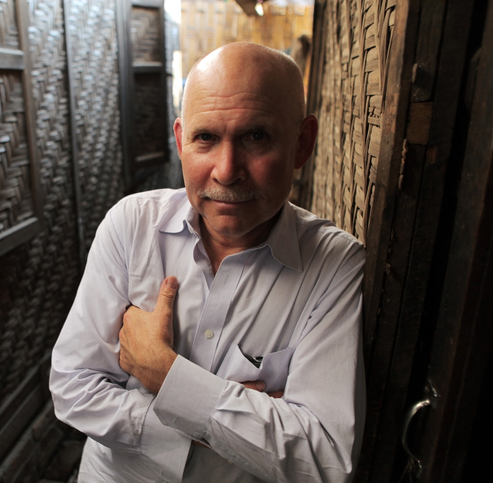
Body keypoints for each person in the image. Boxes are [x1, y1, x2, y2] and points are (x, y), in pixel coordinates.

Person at [50, 42, 366, 482]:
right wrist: (233, 421)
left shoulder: (335, 264)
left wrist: (162, 373)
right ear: (181, 141)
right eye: (206, 138)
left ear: (302, 143)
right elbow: (74, 387)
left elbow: (323, 457)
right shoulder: (131, 226)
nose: (226, 170)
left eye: (256, 137)